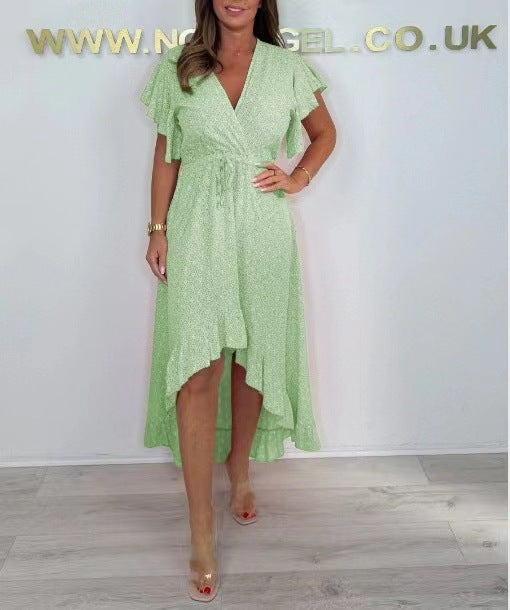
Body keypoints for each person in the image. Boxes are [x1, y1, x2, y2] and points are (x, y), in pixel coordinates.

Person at [140, 0, 336, 602]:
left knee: (252, 362)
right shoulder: (181, 66)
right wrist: (157, 228)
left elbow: (325, 133)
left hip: (262, 227)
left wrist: (297, 177)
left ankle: (240, 468)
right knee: (198, 369)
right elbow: (168, 152)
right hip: (196, 224)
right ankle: (201, 525)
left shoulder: (286, 68)